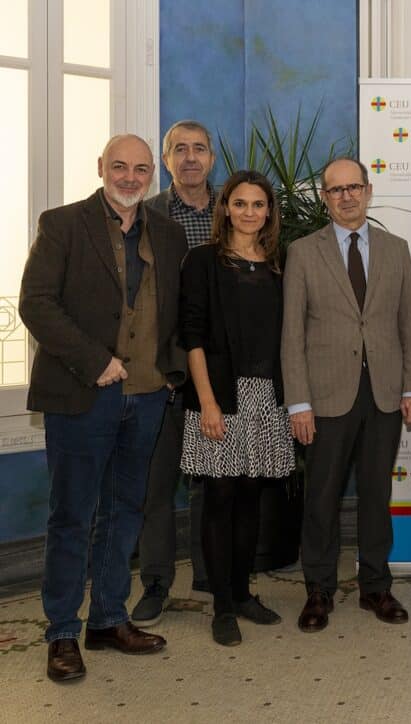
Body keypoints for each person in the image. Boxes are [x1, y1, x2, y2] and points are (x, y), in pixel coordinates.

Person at [20, 134, 187, 682]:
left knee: (125, 514)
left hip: (145, 399)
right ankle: (63, 632)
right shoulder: (63, 224)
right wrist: (95, 360)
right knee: (72, 516)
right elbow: (37, 304)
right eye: (120, 166)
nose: (131, 177)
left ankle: (109, 619)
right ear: (101, 168)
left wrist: (170, 375)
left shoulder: (167, 233)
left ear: (152, 174)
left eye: (140, 168)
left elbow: (178, 311)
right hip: (81, 394)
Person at [282, 157, 411, 629]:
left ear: (368, 189)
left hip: (384, 395)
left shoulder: (395, 248)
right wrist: (299, 402)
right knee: (320, 497)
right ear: (324, 197)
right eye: (335, 189)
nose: (346, 196)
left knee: (375, 495)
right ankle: (318, 590)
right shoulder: (304, 252)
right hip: (324, 399)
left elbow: (409, 324)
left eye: (354, 187)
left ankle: (376, 588)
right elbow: (292, 334)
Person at [179, 170, 294, 646]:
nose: (250, 212)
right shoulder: (203, 261)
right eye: (240, 203)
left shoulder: (279, 263)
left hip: (266, 396)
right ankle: (222, 605)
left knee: (251, 497)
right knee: (219, 497)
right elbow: (192, 335)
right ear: (225, 208)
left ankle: (245, 593)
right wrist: (208, 402)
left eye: (258, 204)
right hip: (219, 397)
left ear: (269, 212)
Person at [133, 119, 217, 626]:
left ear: (212, 158)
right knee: (156, 487)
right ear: (166, 161)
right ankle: (157, 584)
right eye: (179, 150)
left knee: (213, 481)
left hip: (218, 374)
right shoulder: (144, 216)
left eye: (199, 149)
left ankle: (211, 574)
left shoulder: (238, 211)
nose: (190, 158)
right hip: (162, 374)